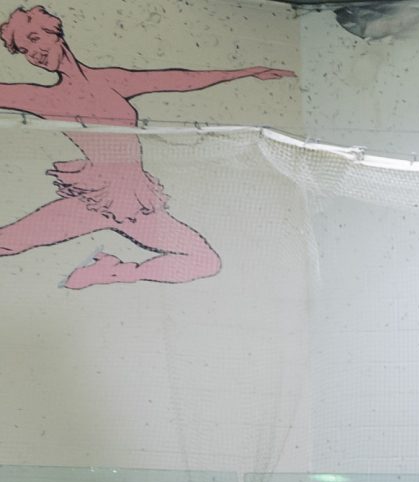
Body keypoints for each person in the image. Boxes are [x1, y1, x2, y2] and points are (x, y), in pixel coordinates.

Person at [0, 6, 292, 289]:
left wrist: (249, 71)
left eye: (35, 40)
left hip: (134, 204)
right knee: (7, 242)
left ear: (55, 34)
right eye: (24, 51)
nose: (33, 54)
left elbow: (180, 80)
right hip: (94, 200)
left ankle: (112, 272)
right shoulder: (43, 99)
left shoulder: (110, 80)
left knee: (204, 261)